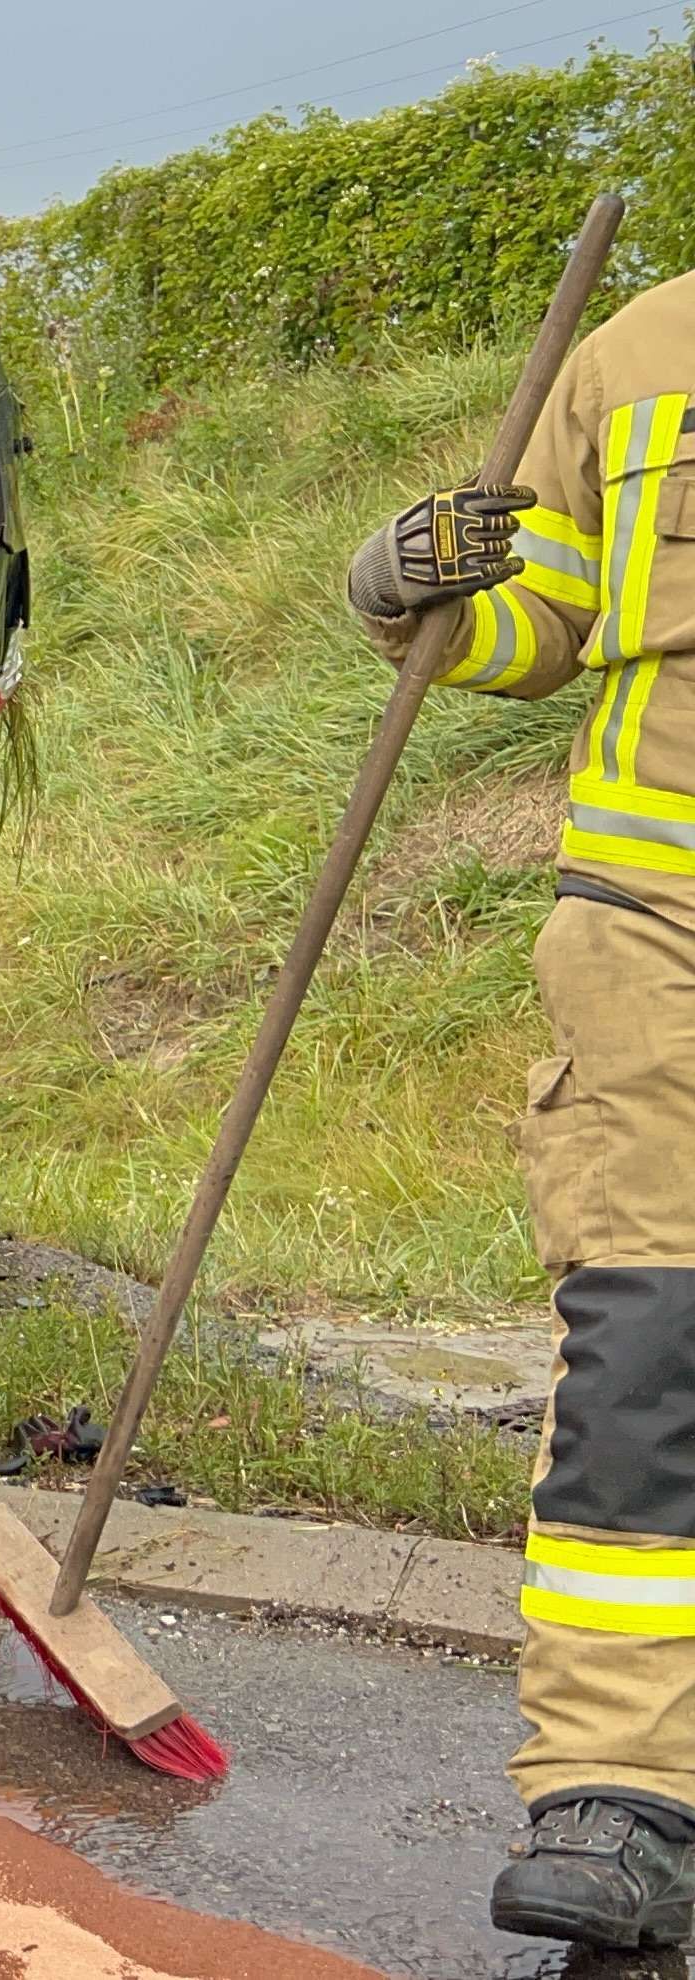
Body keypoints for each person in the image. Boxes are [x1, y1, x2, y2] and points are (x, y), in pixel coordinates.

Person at [347, 271, 695, 1948]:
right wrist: (423, 582)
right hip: (659, 941)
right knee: (648, 1346)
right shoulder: (635, 355)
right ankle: (620, 1796)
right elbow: (534, 624)